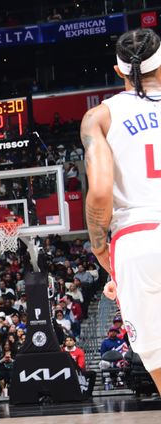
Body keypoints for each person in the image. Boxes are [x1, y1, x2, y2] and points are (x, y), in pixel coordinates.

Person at [82, 28, 161, 392]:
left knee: (158, 359)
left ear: (118, 71)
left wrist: (100, 247)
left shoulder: (100, 117)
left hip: (137, 241)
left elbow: (99, 192)